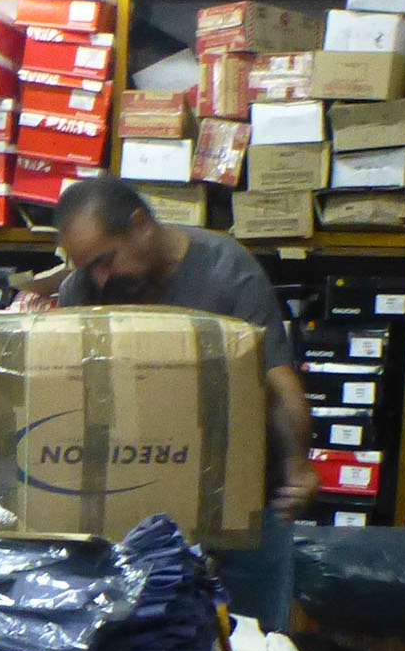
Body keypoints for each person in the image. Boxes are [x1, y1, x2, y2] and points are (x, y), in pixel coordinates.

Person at [52, 177, 313, 628]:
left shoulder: (226, 271)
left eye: (105, 261)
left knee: (251, 650)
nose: (99, 279)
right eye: (87, 267)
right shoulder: (85, 288)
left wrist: (299, 469)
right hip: (135, 509)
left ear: (140, 225)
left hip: (242, 505)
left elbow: (277, 381)